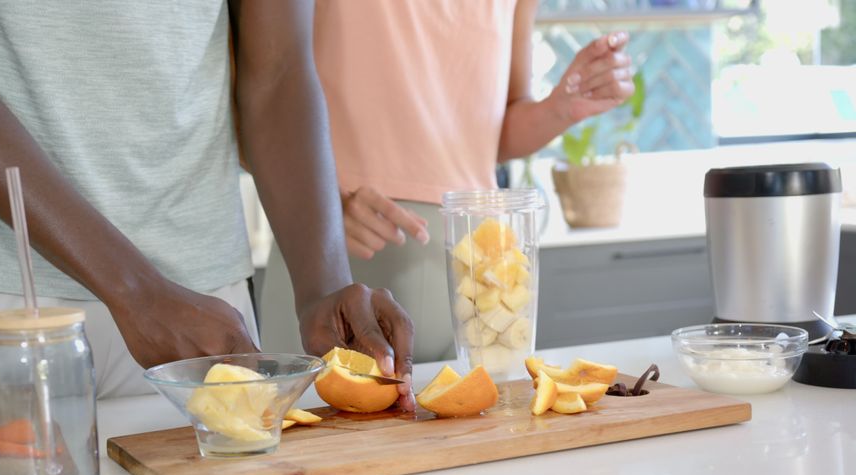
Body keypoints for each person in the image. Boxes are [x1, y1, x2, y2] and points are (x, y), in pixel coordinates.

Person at [0, 0, 415, 409]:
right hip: (3, 299)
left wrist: (322, 286)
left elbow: (279, 72)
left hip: (208, 311)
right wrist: (135, 289)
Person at [260, 0, 635, 362]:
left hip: (475, 260)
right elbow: (256, 92)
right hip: (338, 254)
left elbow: (496, 134)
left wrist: (561, 108)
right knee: (308, 424)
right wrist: (324, 201)